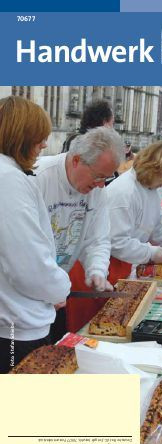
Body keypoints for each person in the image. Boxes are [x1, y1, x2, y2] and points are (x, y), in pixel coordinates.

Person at [0, 96, 70, 372]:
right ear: (21, 136)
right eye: (39, 137)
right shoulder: (8, 180)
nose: (44, 144)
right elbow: (26, 263)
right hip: (17, 325)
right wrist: (59, 287)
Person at [35, 126, 123, 335]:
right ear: (76, 160)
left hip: (57, 290)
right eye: (98, 176)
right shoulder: (39, 177)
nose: (101, 186)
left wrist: (97, 270)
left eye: (106, 179)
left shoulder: (97, 190)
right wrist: (45, 286)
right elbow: (23, 248)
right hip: (27, 295)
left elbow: (98, 238)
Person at [106, 141, 162, 278]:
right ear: (154, 169)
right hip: (106, 265)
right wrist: (154, 253)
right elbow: (117, 242)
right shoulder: (124, 192)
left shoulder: (150, 188)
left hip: (124, 262)